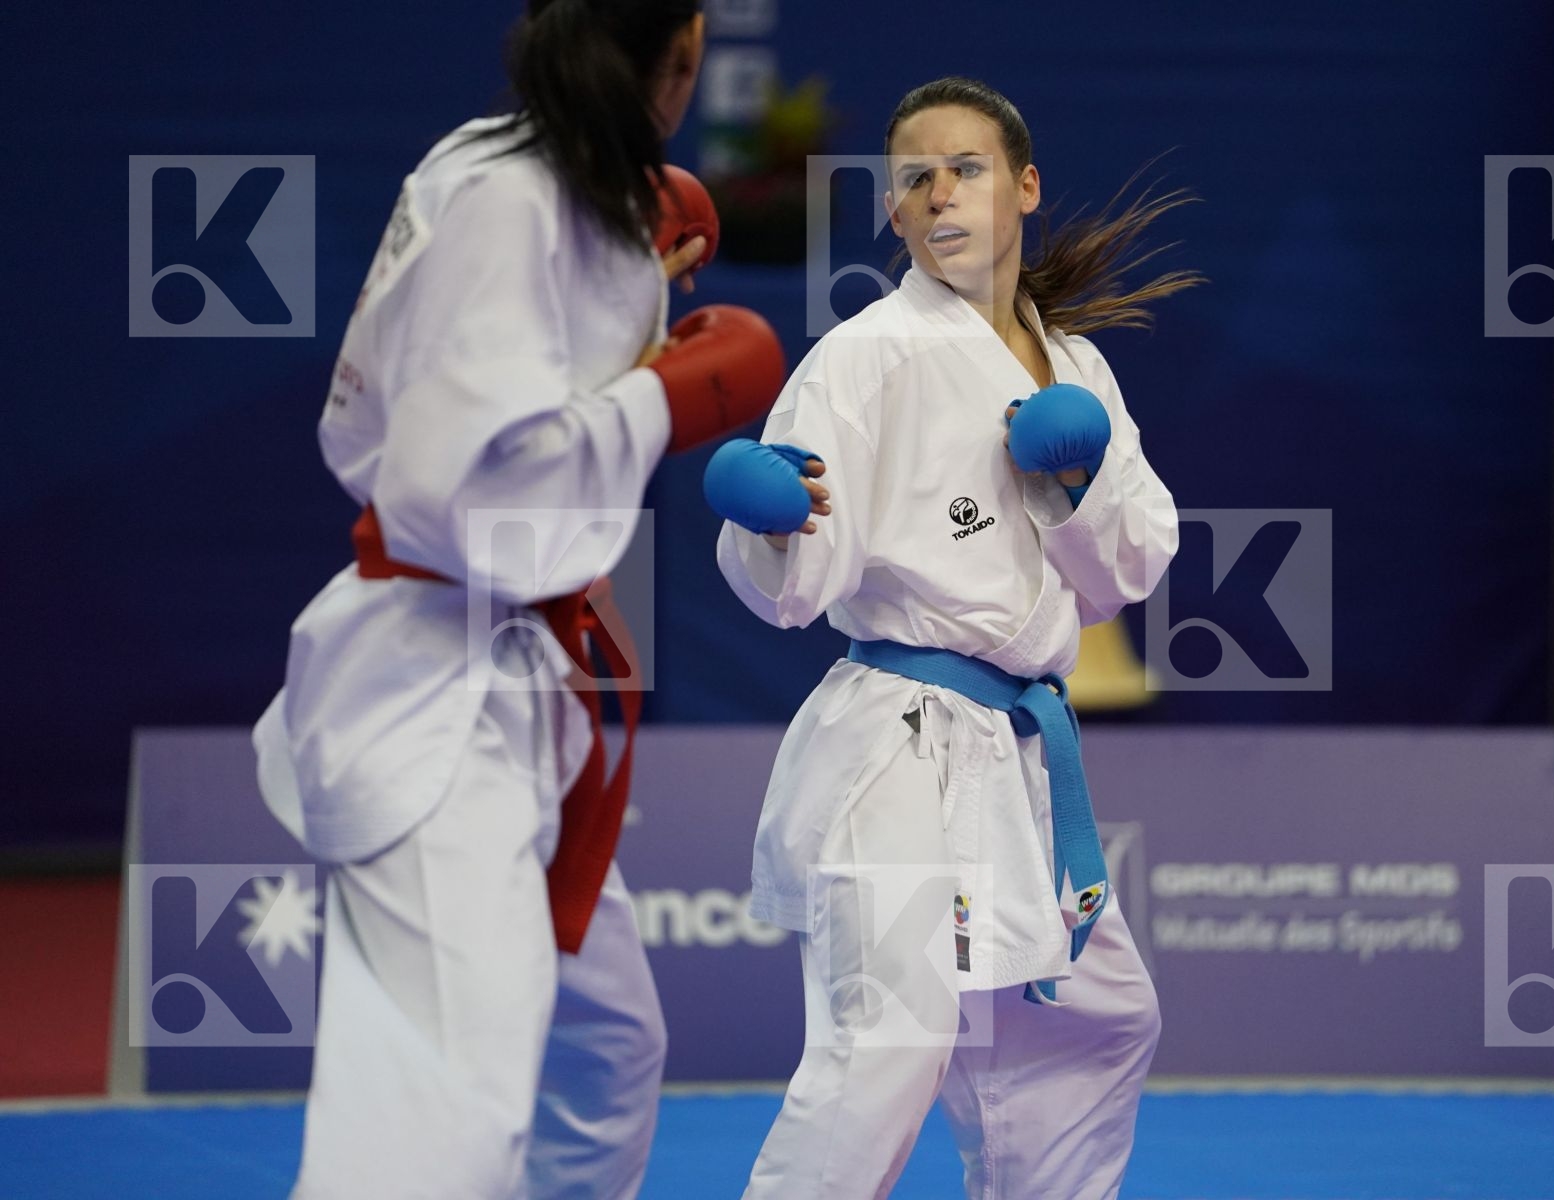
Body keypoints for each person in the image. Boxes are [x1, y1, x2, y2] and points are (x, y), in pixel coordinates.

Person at [250, 3, 786, 1197]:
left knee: (608, 1050)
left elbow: (462, 393)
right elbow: (450, 490)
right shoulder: (514, 199)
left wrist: (630, 301)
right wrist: (667, 397)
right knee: (443, 1123)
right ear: (683, 58)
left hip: (511, 687)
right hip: (432, 698)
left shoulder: (507, 165)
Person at [706, 76, 1197, 1200]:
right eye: (913, 179)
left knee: (1092, 1024)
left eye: (964, 169)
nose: (938, 194)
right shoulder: (865, 356)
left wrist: (1074, 486)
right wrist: (774, 522)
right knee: (889, 1043)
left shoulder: (1077, 368)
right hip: (896, 739)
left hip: (1014, 749)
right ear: (893, 213)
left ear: (1023, 186)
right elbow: (793, 589)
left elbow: (1129, 570)